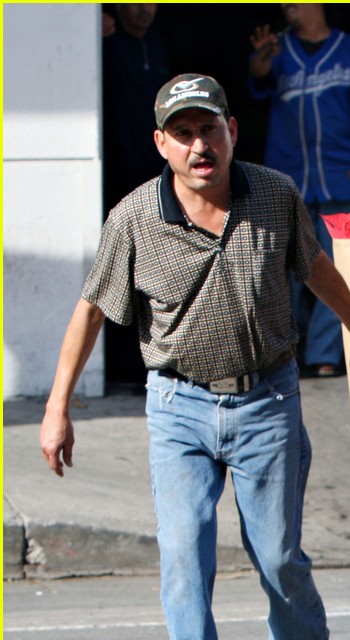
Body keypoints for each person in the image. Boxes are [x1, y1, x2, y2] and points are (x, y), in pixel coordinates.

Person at [39, 73, 350, 640]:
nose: (198, 145)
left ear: (230, 133)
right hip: (178, 407)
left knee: (277, 554)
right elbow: (93, 308)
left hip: (267, 399)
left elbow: (315, 268)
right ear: (162, 143)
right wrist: (57, 407)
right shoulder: (134, 217)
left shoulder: (273, 195)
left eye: (208, 129)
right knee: (185, 557)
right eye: (182, 134)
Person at [248, 3, 350, 376]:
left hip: (341, 178)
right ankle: (289, 350)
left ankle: (326, 356)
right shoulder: (278, 50)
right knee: (287, 272)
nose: (288, 7)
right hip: (288, 181)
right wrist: (262, 59)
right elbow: (257, 78)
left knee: (336, 269)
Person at [101, 4, 171, 386]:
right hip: (116, 178)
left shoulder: (160, 47)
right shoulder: (106, 43)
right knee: (118, 275)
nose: (143, 9)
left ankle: (149, 360)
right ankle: (121, 365)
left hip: (157, 179)